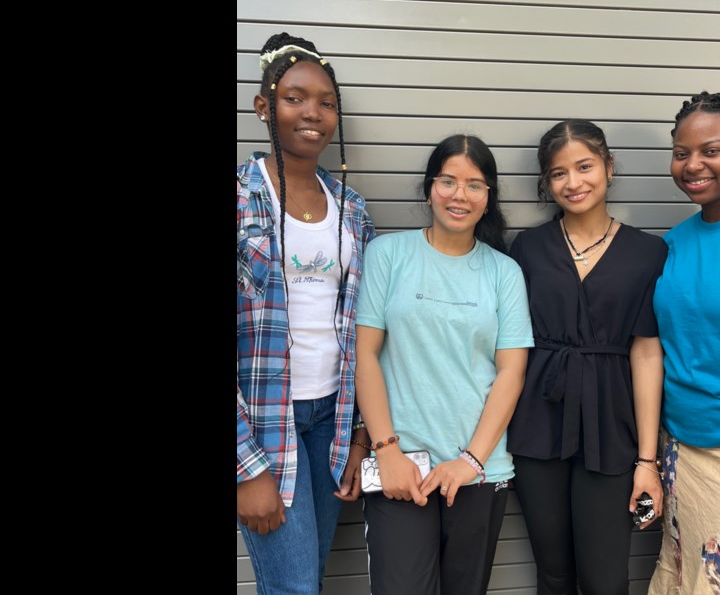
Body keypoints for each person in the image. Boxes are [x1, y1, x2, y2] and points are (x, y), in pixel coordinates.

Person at [353, 134, 534, 595]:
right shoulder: (388, 255)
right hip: (401, 469)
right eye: (448, 181)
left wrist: (470, 460)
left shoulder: (503, 272)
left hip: (477, 470)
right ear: (429, 187)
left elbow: (511, 373)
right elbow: (365, 355)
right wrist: (386, 449)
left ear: (489, 196)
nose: (460, 195)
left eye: (475, 185)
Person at [237, 32, 377, 595]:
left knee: (308, 580)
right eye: (295, 98)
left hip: (331, 421)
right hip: (264, 427)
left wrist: (359, 436)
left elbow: (366, 330)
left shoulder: (352, 209)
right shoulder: (242, 202)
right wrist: (246, 468)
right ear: (264, 107)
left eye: (326, 101)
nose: (313, 113)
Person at [507, 120, 668, 595]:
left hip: (611, 425)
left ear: (609, 167)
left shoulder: (649, 252)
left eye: (584, 166)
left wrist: (647, 458)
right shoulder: (529, 248)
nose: (573, 183)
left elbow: (645, 354)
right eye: (558, 173)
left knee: (604, 577)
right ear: (546, 182)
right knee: (553, 574)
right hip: (540, 420)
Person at [648, 91, 720, 595]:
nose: (693, 165)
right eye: (681, 152)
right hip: (678, 447)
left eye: (711, 150)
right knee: (683, 576)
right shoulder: (674, 241)